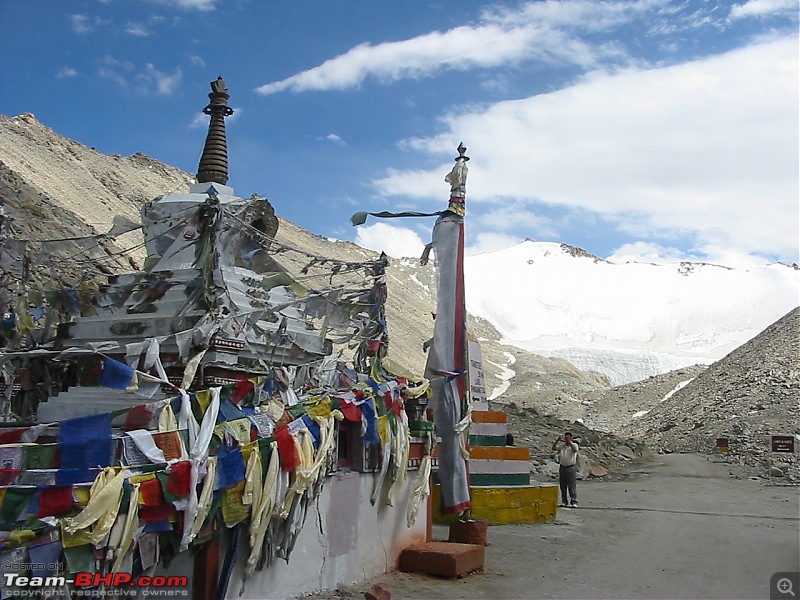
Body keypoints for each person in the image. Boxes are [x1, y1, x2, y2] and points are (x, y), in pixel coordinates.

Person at [552, 431, 579, 507]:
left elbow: (575, 450)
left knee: (572, 485)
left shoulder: (574, 445)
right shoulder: (562, 446)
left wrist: (570, 442)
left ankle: (574, 501)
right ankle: (564, 501)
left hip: (571, 467)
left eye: (567, 437)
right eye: (565, 437)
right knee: (563, 485)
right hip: (563, 467)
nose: (566, 439)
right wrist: (557, 440)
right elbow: (554, 448)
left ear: (571, 438)